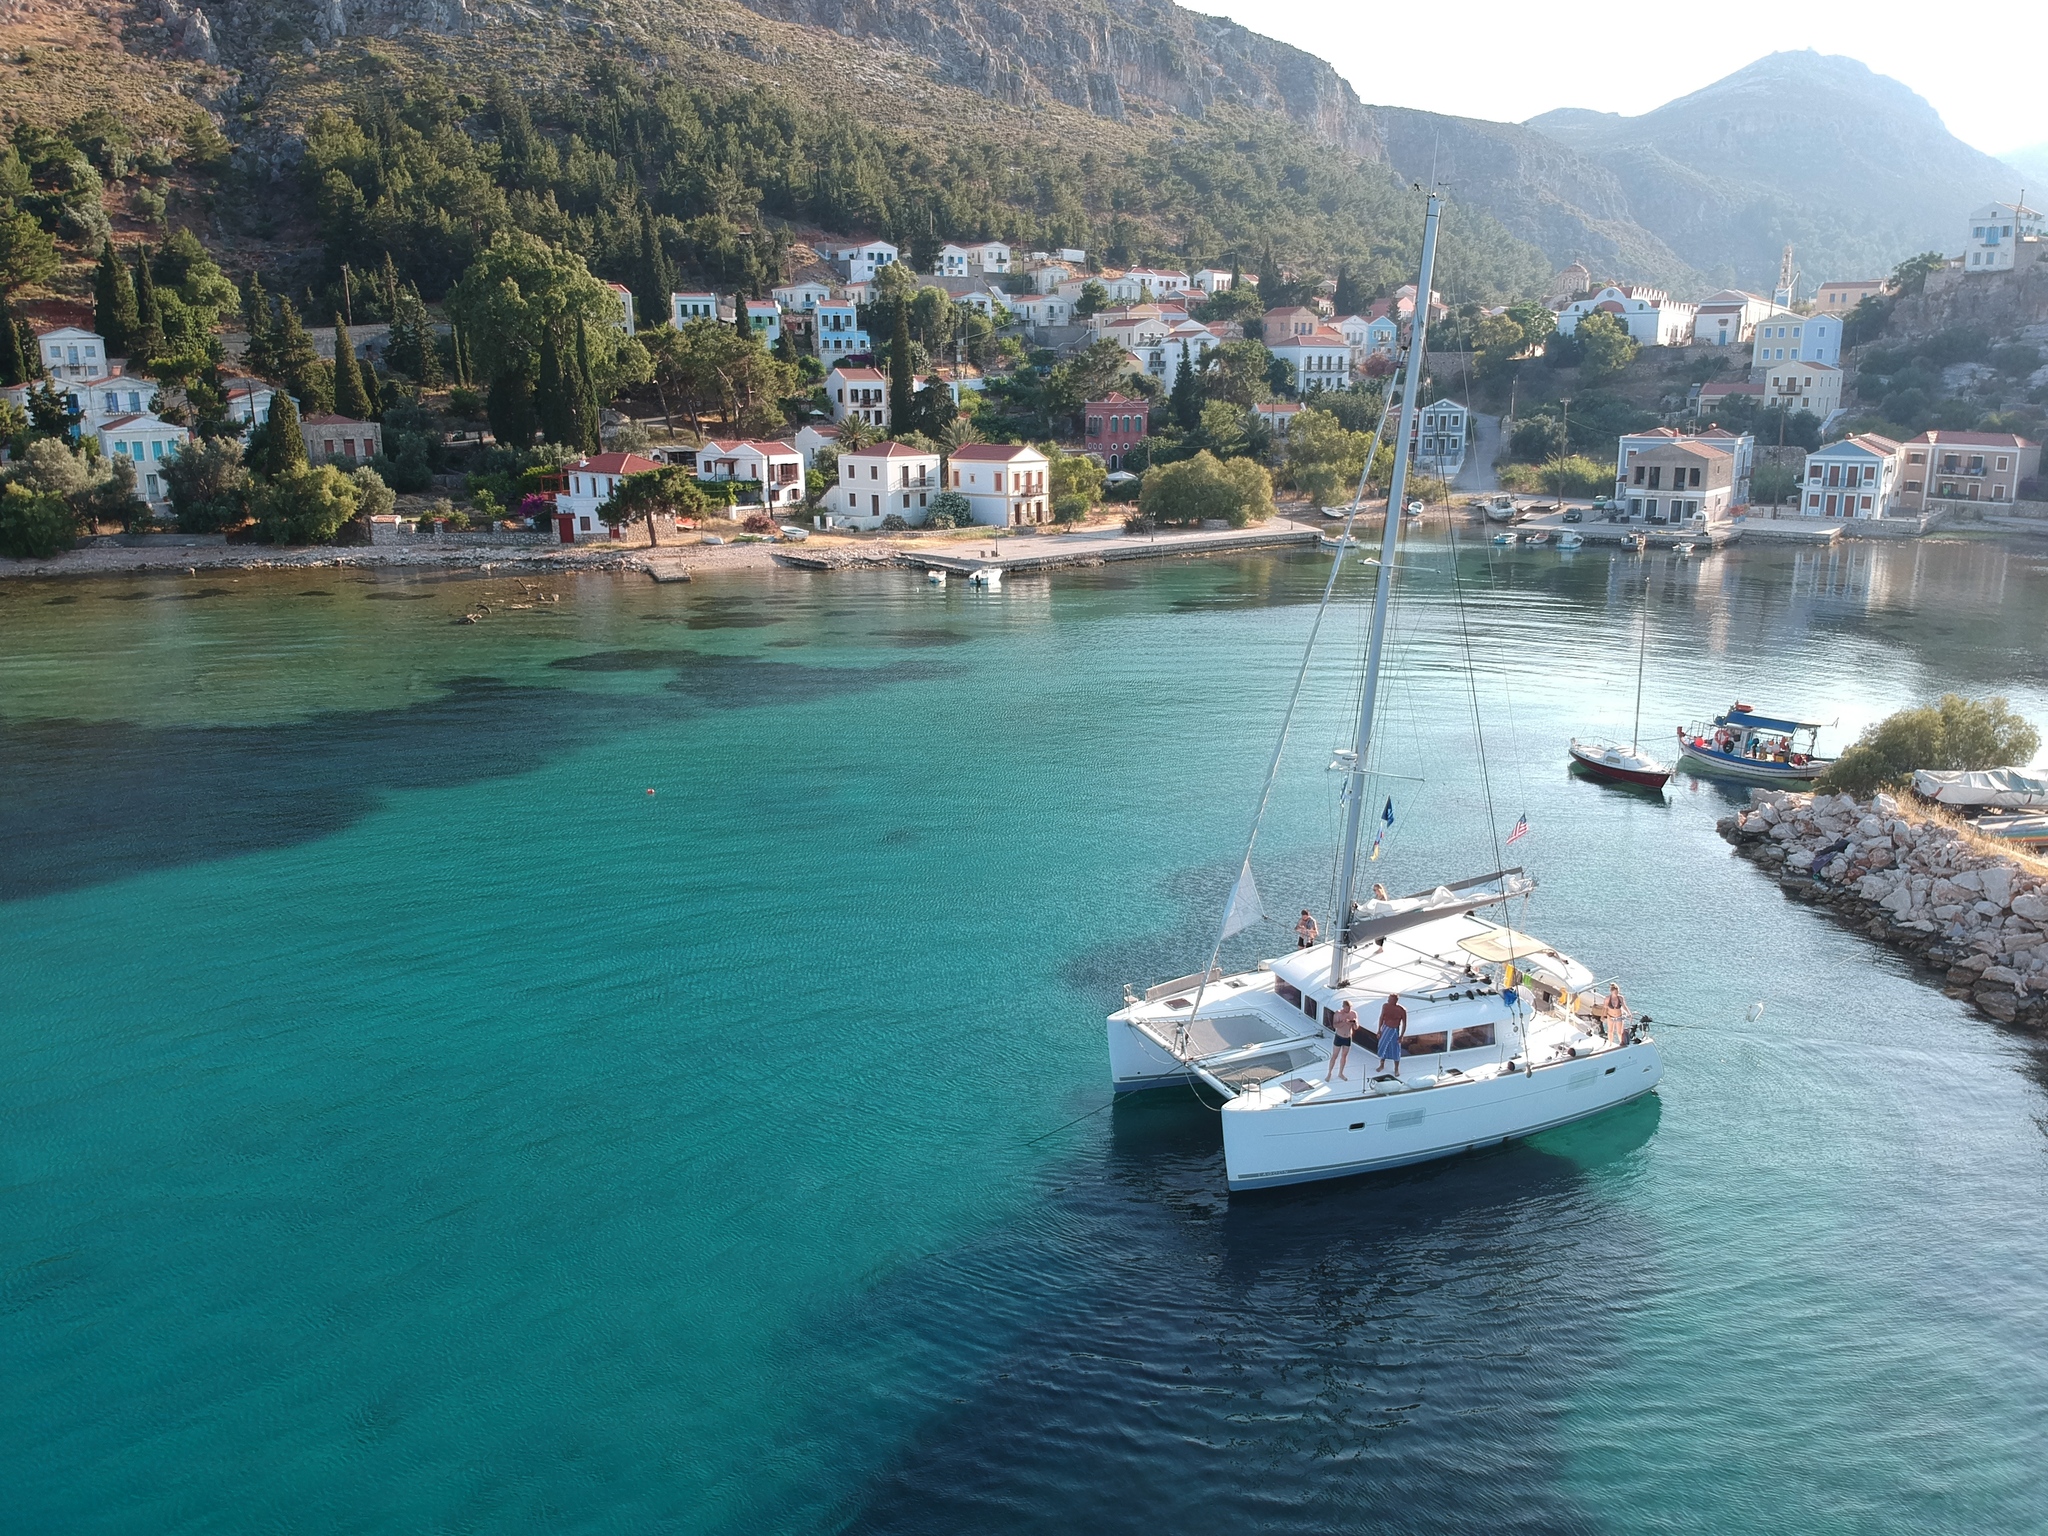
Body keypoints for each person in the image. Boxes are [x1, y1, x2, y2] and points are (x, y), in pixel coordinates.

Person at [1375, 993, 1406, 1078]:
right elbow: (1381, 1017)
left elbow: (1404, 1024)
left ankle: (1396, 1069)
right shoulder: (1385, 1006)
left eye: (1390, 999)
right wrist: (1379, 1030)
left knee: (1396, 1050)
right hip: (1385, 1028)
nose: (1388, 1000)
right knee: (1383, 1047)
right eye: (1388, 999)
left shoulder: (1401, 1010)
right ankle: (1381, 1065)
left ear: (1395, 1000)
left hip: (1394, 1030)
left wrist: (1402, 1035)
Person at [1328, 999, 1359, 1081]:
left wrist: (1354, 1022)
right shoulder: (1338, 1013)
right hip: (1339, 1036)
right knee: (1334, 1056)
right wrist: (1344, 1022)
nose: (1348, 1010)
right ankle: (1329, 1073)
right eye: (1347, 1008)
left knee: (1344, 1056)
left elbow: (1356, 1027)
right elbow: (1335, 1025)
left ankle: (1341, 1073)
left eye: (1349, 1008)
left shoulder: (1353, 1014)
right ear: (1343, 1007)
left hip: (1348, 1037)